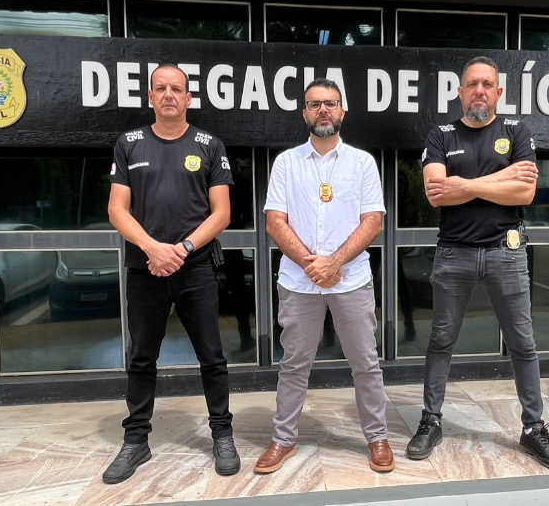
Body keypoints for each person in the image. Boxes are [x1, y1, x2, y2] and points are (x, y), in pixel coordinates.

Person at [406, 56, 549, 472]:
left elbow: (525, 194)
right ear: (461, 92)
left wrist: (464, 184)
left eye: (486, 84)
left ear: (498, 92)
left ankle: (533, 428)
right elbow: (436, 194)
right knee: (441, 340)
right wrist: (501, 177)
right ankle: (431, 420)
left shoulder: (516, 132)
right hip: (453, 253)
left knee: (523, 344)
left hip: (506, 253)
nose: (479, 90)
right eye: (472, 84)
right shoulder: (441, 135)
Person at [103, 64, 240, 484]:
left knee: (212, 356)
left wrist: (180, 250)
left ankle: (222, 434)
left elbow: (222, 213)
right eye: (160, 88)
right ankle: (136, 440)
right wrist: (152, 248)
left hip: (195, 269)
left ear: (188, 98)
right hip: (145, 269)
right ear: (149, 96)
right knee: (142, 357)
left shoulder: (209, 144)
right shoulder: (128, 144)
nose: (168, 95)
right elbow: (116, 210)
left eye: (176, 89)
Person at [255, 78, 392, 474]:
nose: (323, 111)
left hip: (351, 280)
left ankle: (377, 437)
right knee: (294, 365)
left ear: (342, 111)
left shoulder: (362, 163)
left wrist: (334, 263)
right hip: (299, 283)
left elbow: (373, 221)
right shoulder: (286, 163)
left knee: (365, 363)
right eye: (315, 104)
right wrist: (311, 264)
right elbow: (274, 222)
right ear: (304, 113)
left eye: (330, 103)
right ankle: (283, 439)